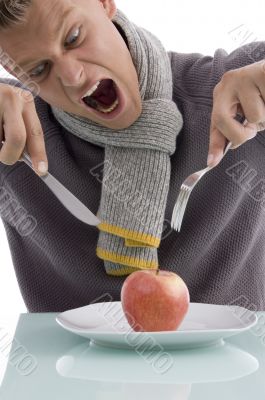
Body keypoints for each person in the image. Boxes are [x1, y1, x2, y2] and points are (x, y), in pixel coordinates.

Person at [0, 0, 265, 312]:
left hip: (239, 358)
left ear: (104, 4)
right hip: (64, 361)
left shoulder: (233, 97)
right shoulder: (14, 130)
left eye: (73, 37)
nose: (73, 77)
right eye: (40, 69)